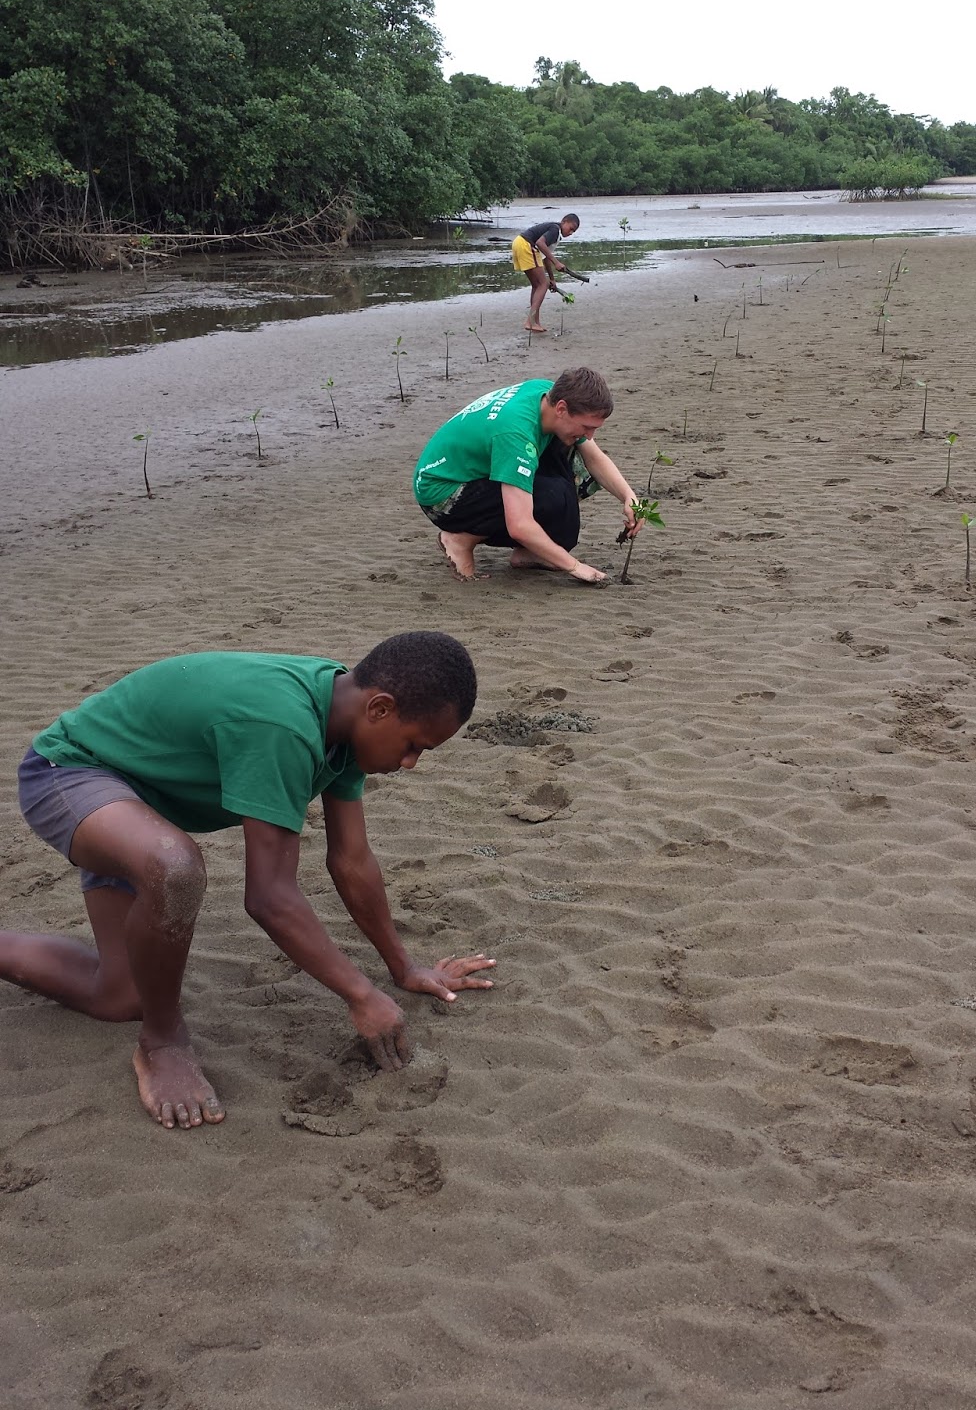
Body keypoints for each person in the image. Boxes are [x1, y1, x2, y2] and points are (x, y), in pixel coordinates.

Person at [0, 633, 495, 1131]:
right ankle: (163, 1043)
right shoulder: (283, 725)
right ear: (381, 709)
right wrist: (360, 995)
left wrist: (404, 966)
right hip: (67, 773)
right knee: (174, 868)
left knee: (120, 996)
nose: (409, 763)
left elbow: (351, 860)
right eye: (414, 746)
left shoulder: (343, 720)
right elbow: (269, 897)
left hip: (138, 805)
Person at [413, 365, 643, 584]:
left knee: (574, 469)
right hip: (443, 493)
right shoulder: (515, 434)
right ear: (562, 408)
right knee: (553, 496)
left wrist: (629, 497)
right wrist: (575, 567)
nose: (590, 435)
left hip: (479, 468)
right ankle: (460, 540)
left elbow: (594, 458)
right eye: (586, 427)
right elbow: (519, 525)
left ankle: (527, 553)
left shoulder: (547, 395)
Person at [511, 212, 579, 333]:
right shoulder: (555, 229)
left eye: (573, 232)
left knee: (537, 285)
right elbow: (539, 243)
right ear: (564, 221)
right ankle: (530, 321)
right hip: (526, 245)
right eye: (571, 228)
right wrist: (557, 262)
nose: (570, 233)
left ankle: (535, 322)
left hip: (519, 243)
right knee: (543, 284)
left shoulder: (555, 235)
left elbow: (545, 256)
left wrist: (552, 278)